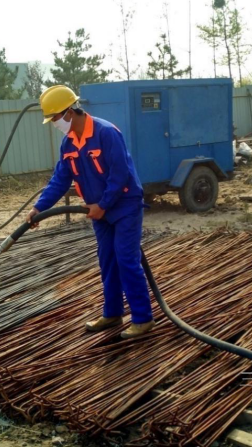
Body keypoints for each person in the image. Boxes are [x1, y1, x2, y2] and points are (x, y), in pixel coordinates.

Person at [27, 85, 155, 339]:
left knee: (126, 260)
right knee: (107, 260)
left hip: (124, 205)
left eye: (54, 118)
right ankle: (112, 313)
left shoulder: (106, 133)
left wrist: (103, 204)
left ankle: (142, 319)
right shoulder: (69, 143)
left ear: (69, 113)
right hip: (98, 210)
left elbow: (120, 175)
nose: (54, 123)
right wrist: (38, 208)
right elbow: (60, 180)